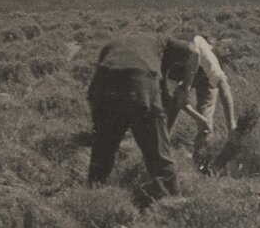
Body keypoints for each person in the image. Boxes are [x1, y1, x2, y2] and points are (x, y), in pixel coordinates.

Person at [87, 32, 200, 200]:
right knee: (158, 153)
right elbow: (194, 51)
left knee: (101, 152)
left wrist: (100, 127)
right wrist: (186, 87)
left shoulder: (113, 43)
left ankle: (92, 198)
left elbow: (94, 95)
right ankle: (173, 202)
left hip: (104, 80)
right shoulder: (163, 40)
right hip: (140, 81)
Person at [170, 35, 237, 170]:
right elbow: (179, 99)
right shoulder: (198, 49)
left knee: (206, 129)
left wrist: (232, 127)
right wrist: (198, 118)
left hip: (205, 81)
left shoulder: (209, 59)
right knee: (167, 117)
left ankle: (201, 165)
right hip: (181, 75)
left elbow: (223, 84)